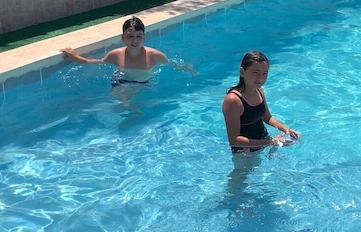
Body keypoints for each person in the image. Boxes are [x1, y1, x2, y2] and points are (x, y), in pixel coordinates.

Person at [60, 15, 191, 85]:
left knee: (134, 110)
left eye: (139, 36)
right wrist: (77, 58)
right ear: (122, 38)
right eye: (130, 36)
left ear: (144, 37)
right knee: (117, 107)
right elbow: (98, 62)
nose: (135, 41)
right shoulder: (116, 55)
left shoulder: (154, 56)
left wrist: (188, 68)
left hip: (144, 84)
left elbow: (172, 63)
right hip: (121, 82)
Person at [222, 50, 299, 153]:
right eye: (255, 72)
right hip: (245, 152)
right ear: (242, 72)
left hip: (264, 141)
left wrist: (286, 129)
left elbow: (268, 118)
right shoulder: (233, 100)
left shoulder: (259, 90)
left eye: (264, 73)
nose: (261, 78)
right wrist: (270, 142)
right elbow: (234, 141)